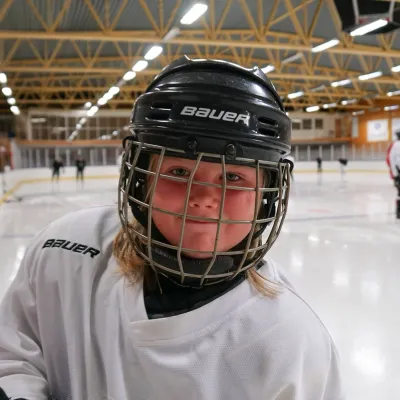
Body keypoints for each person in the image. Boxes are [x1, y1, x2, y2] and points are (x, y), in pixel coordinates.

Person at [0, 57, 344, 400]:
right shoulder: (63, 249)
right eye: (179, 172)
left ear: (266, 199)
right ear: (140, 180)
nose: (205, 198)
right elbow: (13, 354)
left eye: (234, 177)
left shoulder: (292, 340)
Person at [388, 131, 400, 218]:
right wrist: (395, 174)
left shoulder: (395, 145)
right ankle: (398, 211)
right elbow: (392, 160)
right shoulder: (395, 145)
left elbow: (391, 160)